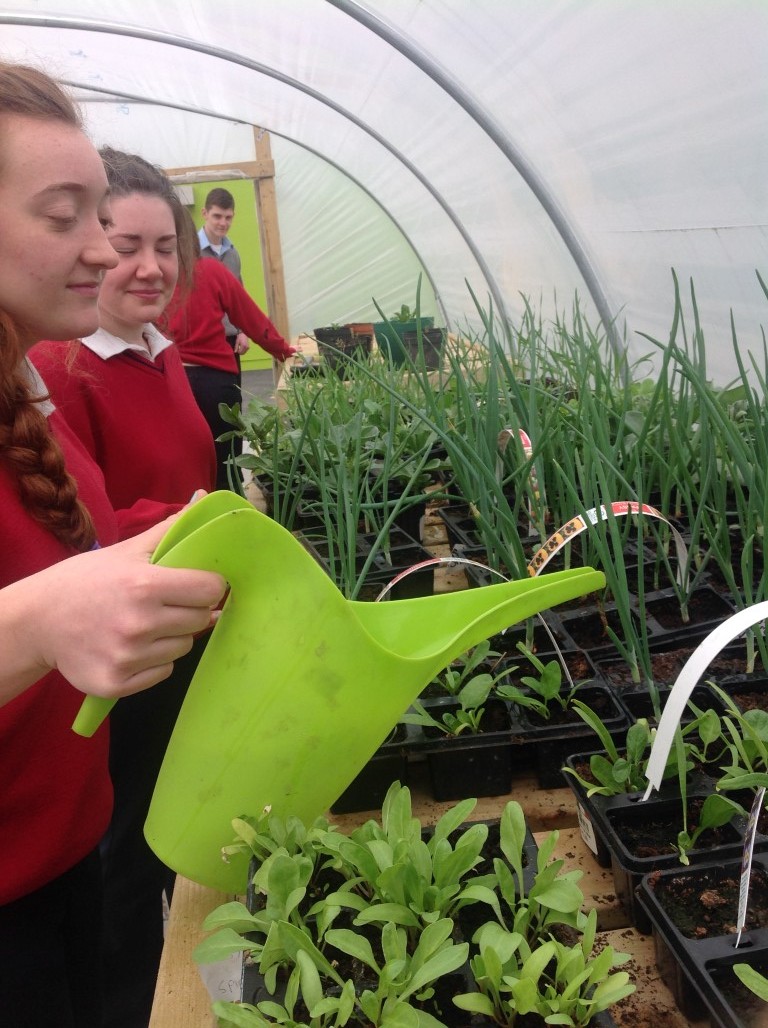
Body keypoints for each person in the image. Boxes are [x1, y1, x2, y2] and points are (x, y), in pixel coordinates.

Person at [0, 61, 225, 1028]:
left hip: (66, 854)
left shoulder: (24, 386)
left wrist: (198, 531)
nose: (102, 251)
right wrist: (38, 621)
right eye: (68, 218)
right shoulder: (63, 370)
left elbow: (82, 533)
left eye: (109, 219)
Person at [164, 249, 298, 489]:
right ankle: (233, 506)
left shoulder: (158, 276)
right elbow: (251, 318)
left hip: (174, 381)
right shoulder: (210, 269)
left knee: (188, 470)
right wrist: (283, 351)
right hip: (217, 382)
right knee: (228, 466)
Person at [198, 187, 248, 372]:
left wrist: (242, 331)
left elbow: (238, 299)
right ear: (205, 213)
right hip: (200, 343)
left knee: (233, 390)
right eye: (217, 216)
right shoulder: (188, 252)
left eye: (228, 217)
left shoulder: (233, 254)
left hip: (230, 340)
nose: (223, 223)